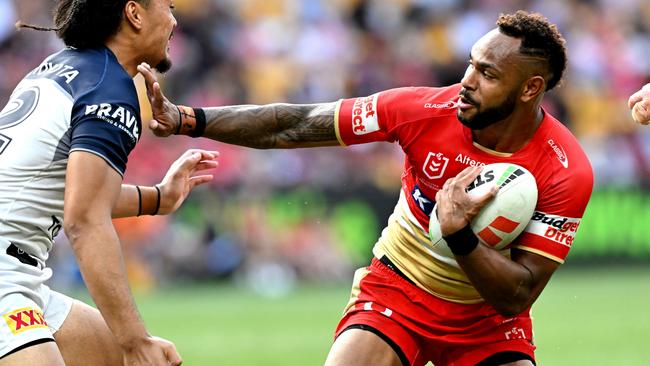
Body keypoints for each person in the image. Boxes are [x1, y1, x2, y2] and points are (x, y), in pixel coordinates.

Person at [140, 10, 593, 366]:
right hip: (397, 291)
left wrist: (459, 235)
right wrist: (188, 119)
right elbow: (295, 124)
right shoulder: (422, 110)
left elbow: (516, 296)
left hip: (486, 323)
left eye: (488, 75)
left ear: (531, 88)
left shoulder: (566, 170)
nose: (467, 82)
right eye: (470, 64)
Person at [0, 1, 219, 365]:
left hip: (20, 274)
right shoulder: (109, 88)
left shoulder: (61, 68)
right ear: (134, 14)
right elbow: (84, 221)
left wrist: (158, 199)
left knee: (111, 357)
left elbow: (75, 194)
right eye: (167, 6)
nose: (174, 19)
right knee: (129, 351)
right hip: (5, 274)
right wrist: (135, 339)